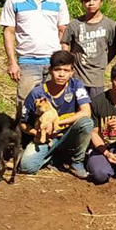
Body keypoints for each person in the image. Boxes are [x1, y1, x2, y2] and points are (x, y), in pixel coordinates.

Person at [0, 0, 71, 116]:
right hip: (27, 62)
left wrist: (64, 60)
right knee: (25, 105)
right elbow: (9, 32)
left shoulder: (58, 1)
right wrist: (12, 62)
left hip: (54, 62)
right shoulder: (14, 0)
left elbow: (63, 32)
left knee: (53, 105)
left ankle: (50, 139)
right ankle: (23, 138)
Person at [18, 50, 94, 178]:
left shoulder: (76, 86)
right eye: (57, 70)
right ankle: (54, 157)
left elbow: (86, 111)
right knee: (27, 167)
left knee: (86, 122)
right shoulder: (37, 93)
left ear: (72, 72)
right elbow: (23, 124)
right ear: (50, 70)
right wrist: (37, 133)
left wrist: (57, 123)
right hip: (47, 138)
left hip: (68, 134)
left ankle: (77, 162)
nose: (61, 74)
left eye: (66, 70)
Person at [61, 0, 116, 98]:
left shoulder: (110, 25)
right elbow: (65, 43)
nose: (91, 3)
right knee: (77, 108)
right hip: (77, 76)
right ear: (82, 3)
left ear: (101, 1)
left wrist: (102, 64)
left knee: (96, 107)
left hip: (97, 77)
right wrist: (68, 65)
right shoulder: (74, 24)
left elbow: (112, 50)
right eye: (87, 0)